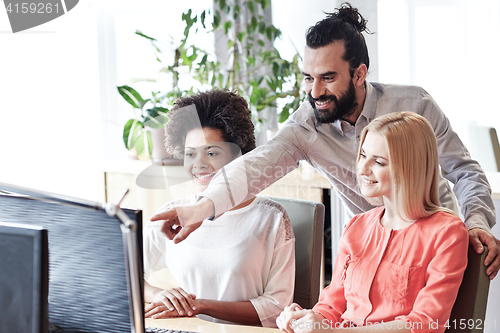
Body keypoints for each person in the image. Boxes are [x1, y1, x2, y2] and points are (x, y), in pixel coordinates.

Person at [151, 2, 500, 279]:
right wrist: (201, 207)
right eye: (308, 78)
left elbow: (464, 171)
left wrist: (477, 223)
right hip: (372, 257)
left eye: (328, 78)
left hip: (440, 249)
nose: (315, 92)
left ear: (360, 73)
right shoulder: (306, 127)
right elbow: (255, 166)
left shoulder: (414, 105)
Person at [276, 112, 469, 333]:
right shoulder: (356, 226)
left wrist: (334, 332)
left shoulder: (448, 233)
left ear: (409, 167)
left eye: (378, 162)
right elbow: (331, 306)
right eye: (363, 155)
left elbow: (426, 323)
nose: (363, 168)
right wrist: (306, 320)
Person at [143, 89, 295, 328]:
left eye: (212, 152)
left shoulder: (271, 219)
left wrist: (200, 306)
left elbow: (277, 307)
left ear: (240, 156)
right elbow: (124, 273)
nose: (199, 164)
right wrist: (158, 295)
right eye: (190, 154)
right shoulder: (173, 214)